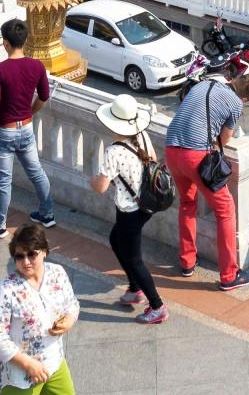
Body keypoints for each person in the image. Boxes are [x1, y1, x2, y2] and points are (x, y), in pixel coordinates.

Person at [163, 72, 249, 291]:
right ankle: (229, 274)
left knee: (187, 203)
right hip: (195, 155)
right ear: (245, 99)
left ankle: (187, 262)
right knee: (225, 209)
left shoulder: (204, 84)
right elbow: (224, 139)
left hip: (171, 149)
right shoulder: (235, 103)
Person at [0, 18, 59, 240]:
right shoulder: (37, 66)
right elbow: (43, 96)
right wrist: (30, 112)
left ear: (5, 43)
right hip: (26, 129)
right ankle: (47, 213)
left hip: (5, 132)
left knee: (3, 182)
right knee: (37, 172)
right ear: (24, 40)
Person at [91, 93, 167, 326]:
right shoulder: (142, 136)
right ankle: (134, 288)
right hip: (145, 205)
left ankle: (157, 306)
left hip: (129, 210)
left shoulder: (113, 152)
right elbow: (152, 159)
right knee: (116, 239)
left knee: (135, 259)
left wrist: (93, 180)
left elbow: (101, 187)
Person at [0, 222, 80, 395]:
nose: (26, 262)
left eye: (31, 254)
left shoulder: (57, 273)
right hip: (21, 376)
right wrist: (28, 364)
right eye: (19, 256)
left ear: (44, 252)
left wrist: (69, 319)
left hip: (54, 363)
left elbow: (72, 304)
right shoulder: (7, 290)